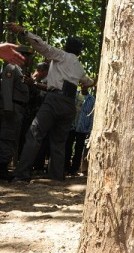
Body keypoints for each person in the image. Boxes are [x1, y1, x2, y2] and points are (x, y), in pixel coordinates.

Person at [6, 23, 94, 183]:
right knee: (59, 141)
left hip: (54, 100)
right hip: (69, 105)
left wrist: (25, 32)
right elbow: (88, 82)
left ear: (66, 46)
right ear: (79, 52)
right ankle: (56, 177)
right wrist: (85, 84)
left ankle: (22, 174)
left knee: (34, 133)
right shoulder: (79, 67)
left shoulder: (61, 55)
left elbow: (42, 46)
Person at [0, 46, 34, 180]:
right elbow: (6, 89)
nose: (29, 59)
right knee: (7, 137)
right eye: (27, 56)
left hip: (19, 108)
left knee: (12, 138)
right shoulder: (12, 68)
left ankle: (4, 166)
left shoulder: (22, 72)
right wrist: (8, 108)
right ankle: (1, 168)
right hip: (12, 108)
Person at [64, 86, 95, 176]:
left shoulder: (91, 99)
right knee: (68, 147)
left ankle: (74, 169)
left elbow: (91, 115)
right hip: (72, 125)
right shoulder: (75, 95)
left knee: (79, 149)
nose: (84, 86)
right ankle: (66, 167)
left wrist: (89, 129)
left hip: (82, 128)